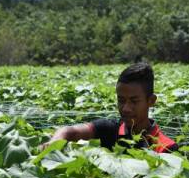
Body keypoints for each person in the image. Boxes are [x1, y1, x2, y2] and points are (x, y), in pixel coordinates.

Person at [44, 62, 178, 153]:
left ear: (151, 101)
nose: (126, 108)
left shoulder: (166, 147)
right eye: (121, 100)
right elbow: (71, 132)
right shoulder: (108, 130)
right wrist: (56, 140)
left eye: (134, 101)